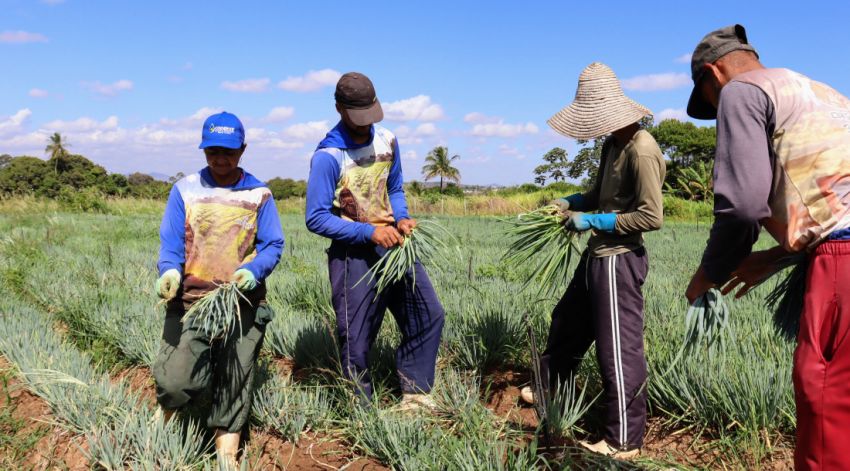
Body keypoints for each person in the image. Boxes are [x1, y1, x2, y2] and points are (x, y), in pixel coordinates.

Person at [682, 24, 850, 470]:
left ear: (713, 74)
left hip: (843, 270)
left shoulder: (741, 92)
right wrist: (774, 258)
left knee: (826, 405)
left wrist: (709, 275)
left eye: (710, 104)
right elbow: (837, 209)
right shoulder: (821, 91)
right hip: (835, 251)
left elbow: (741, 207)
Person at [522, 62, 666, 459]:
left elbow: (651, 216)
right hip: (596, 256)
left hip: (619, 259)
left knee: (617, 349)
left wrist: (593, 221)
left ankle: (623, 440)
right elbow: (598, 192)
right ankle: (549, 388)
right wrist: (568, 203)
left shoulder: (642, 149)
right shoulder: (613, 144)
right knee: (567, 320)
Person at [305, 72, 445, 410]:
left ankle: (414, 394)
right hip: (354, 254)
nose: (365, 124)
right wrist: (369, 232)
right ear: (339, 108)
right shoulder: (328, 156)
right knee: (357, 337)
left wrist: (401, 218)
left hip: (394, 246)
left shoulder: (388, 140)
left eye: (370, 114)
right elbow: (316, 217)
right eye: (358, 117)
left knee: (429, 314)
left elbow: (394, 188)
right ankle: (361, 409)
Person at [153, 111, 284, 467]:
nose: (220, 159)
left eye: (228, 152)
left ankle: (227, 456)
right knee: (175, 381)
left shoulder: (259, 193)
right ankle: (165, 423)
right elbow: (171, 243)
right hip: (192, 302)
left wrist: (254, 270)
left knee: (234, 380)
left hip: (241, 302)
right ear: (203, 149)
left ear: (242, 150)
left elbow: (273, 244)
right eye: (212, 151)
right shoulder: (185, 190)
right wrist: (169, 272)